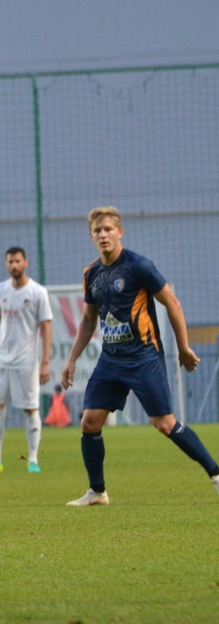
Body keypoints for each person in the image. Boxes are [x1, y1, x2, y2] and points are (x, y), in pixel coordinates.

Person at [61, 206, 219, 505]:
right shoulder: (91, 273)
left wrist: (184, 348)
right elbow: (87, 320)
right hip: (110, 359)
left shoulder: (139, 266)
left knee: (165, 424)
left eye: (108, 229)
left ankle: (216, 473)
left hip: (144, 357)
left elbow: (173, 303)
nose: (103, 235)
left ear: (120, 232)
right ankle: (97, 491)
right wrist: (71, 359)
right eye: (98, 231)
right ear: (91, 236)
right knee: (90, 422)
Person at [0, 247, 53, 473]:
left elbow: (47, 327)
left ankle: (33, 459)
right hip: (1, 360)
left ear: (26, 263)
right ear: (6, 264)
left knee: (30, 409)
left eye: (18, 261)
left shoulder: (38, 293)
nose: (14, 266)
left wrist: (45, 362)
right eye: (10, 262)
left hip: (26, 361)